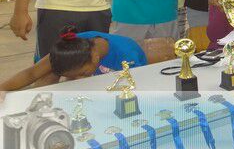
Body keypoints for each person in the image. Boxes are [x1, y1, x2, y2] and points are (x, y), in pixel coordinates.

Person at [0, 26, 147, 91]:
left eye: (82, 73)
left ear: (95, 58)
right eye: (71, 77)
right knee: (46, 77)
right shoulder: (71, 45)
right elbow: (31, 73)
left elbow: (137, 90)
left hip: (124, 84)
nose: (78, 80)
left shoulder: (128, 58)